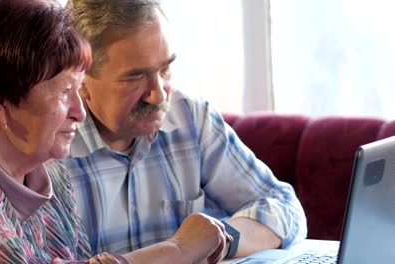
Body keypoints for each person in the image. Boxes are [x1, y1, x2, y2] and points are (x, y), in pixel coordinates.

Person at [0, 0, 233, 263]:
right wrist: (178, 250)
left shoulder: (50, 173)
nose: (80, 112)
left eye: (78, 90)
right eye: (64, 93)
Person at [62, 0, 308, 260]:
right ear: (81, 82)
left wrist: (221, 240)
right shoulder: (48, 147)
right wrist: (181, 250)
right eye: (135, 77)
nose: (158, 95)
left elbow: (284, 206)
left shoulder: (191, 118)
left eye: (165, 69)